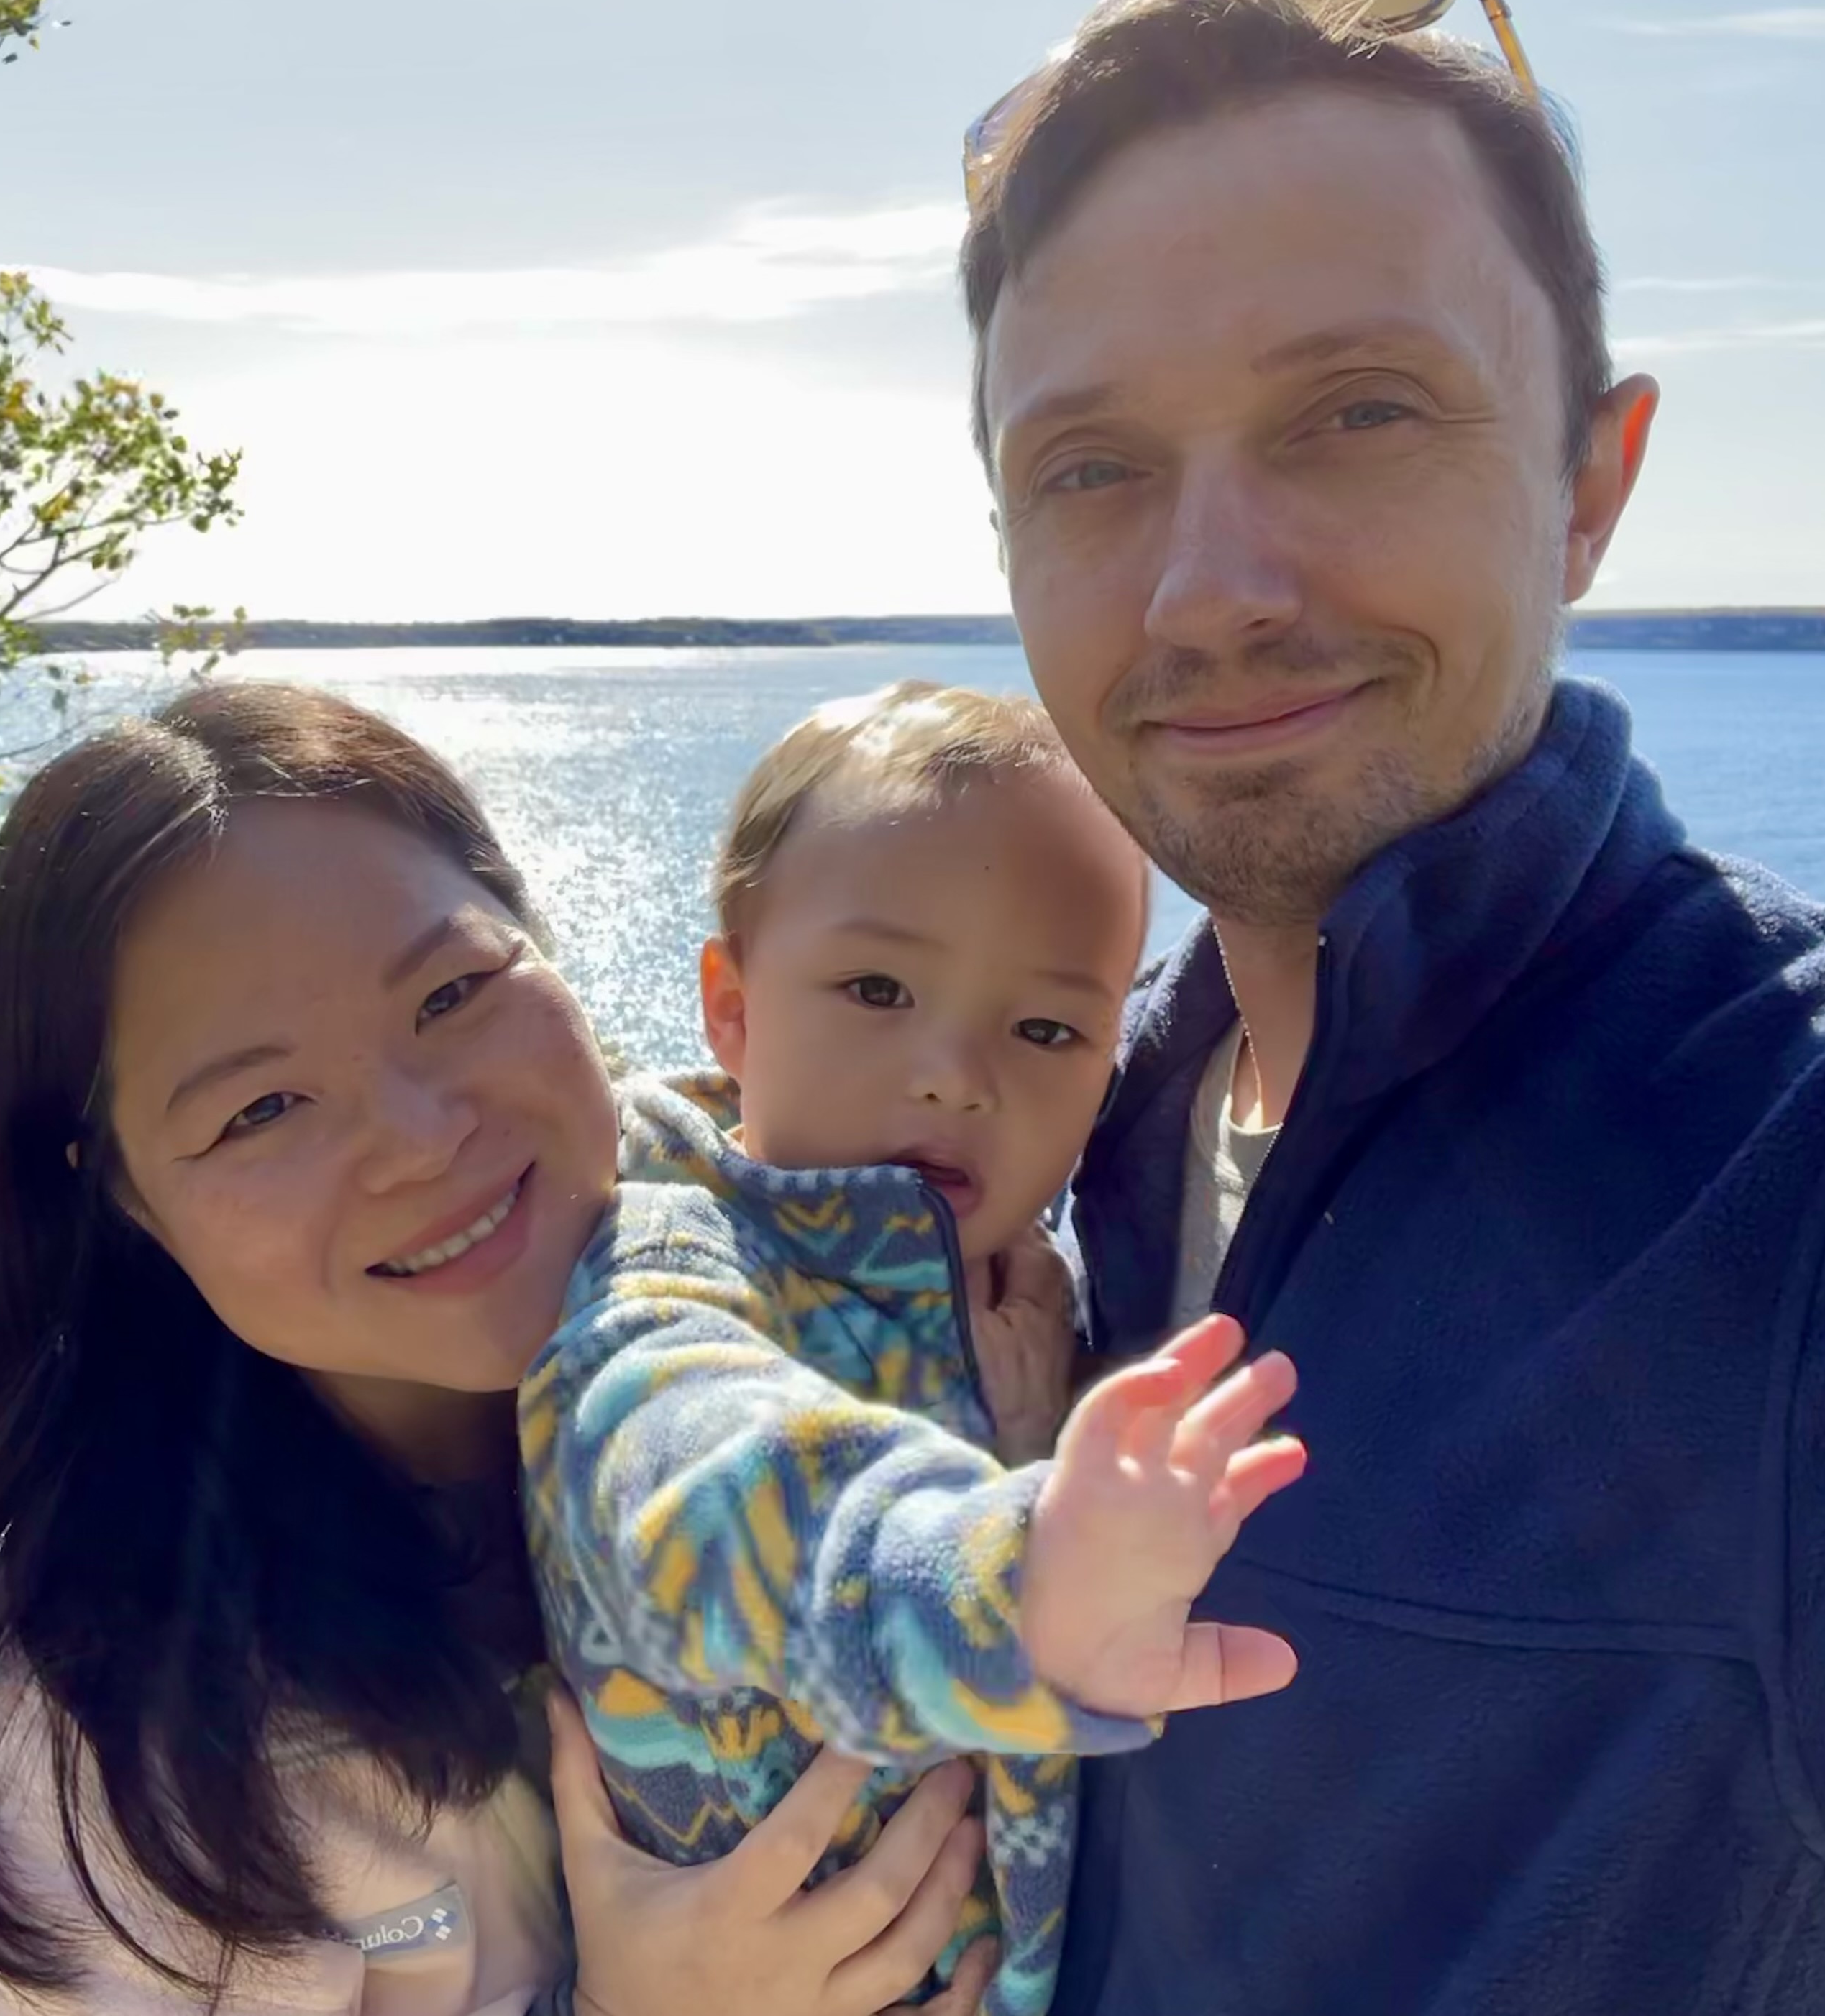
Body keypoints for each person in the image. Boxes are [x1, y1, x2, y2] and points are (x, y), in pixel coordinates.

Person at [956, 0, 1825, 2013]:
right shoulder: (1064, 1140)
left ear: (1592, 484)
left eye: (1356, 411)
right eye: (1092, 468)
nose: (1209, 587)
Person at [0, 679, 1013, 2016]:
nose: (419, 1136)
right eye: (264, 1106)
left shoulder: (811, 1283)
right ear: (118, 1197)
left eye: (453, 993)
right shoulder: (84, 1766)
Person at [522, 681, 1307, 2016]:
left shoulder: (1024, 1295)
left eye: (1047, 1029)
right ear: (733, 1006)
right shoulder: (663, 1251)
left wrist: (1022, 1439)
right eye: (876, 988)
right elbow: (689, 1477)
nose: (954, 1070)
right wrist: (1018, 1579)